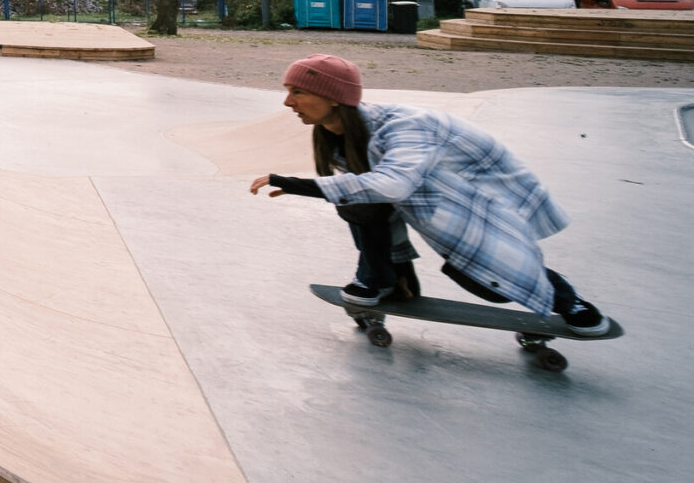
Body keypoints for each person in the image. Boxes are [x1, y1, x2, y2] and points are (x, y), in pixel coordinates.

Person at [248, 53, 609, 332]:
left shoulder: (406, 126)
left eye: (298, 92)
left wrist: (297, 185)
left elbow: (394, 183)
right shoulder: (336, 134)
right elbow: (370, 197)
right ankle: (380, 279)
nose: (288, 102)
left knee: (493, 277)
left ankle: (570, 302)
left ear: (333, 97)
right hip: (434, 196)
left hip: (482, 194)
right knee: (356, 203)